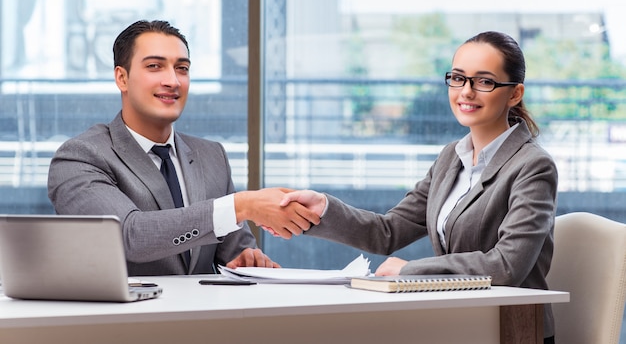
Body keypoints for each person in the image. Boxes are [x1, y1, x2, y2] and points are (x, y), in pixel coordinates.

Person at [279, 31, 557, 343]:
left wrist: (412, 269)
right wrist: (323, 210)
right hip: (454, 322)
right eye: (458, 78)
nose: (466, 92)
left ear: (514, 93)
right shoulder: (451, 158)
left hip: (510, 328)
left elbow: (507, 265)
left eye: (484, 81)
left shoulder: (532, 166)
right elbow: (388, 232)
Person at [48, 19, 319, 276]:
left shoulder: (211, 157)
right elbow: (129, 236)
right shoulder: (81, 157)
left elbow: (234, 252)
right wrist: (242, 205)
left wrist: (247, 261)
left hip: (201, 321)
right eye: (155, 66)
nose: (173, 81)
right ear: (122, 78)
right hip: (123, 322)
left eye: (182, 68)